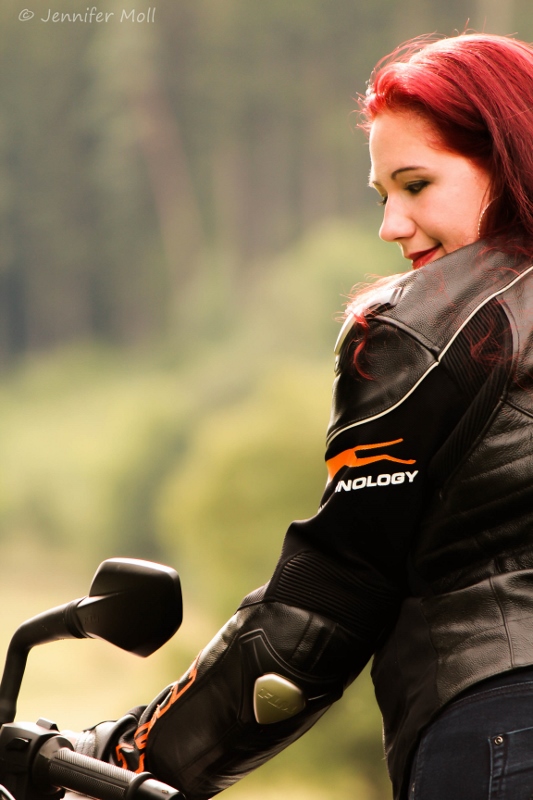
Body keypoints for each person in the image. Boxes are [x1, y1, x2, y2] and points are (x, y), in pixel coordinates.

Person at [74, 32, 533, 799]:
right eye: (382, 194)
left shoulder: (429, 322)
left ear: (509, 159)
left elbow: (331, 597)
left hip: (497, 729)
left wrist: (122, 758)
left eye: (416, 185)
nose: (390, 224)